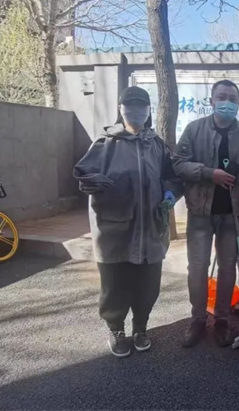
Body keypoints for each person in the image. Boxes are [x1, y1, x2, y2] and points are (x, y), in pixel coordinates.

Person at [73, 86, 182, 358]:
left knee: (148, 283)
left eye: (141, 105)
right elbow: (82, 173)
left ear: (148, 110)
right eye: (130, 105)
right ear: (120, 109)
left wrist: (169, 192)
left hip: (150, 228)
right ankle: (116, 328)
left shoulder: (156, 144)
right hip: (114, 229)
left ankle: (141, 326)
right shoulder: (105, 142)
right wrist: (93, 181)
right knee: (115, 284)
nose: (136, 110)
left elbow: (170, 175)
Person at [173, 79, 239, 348]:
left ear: (238, 103)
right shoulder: (194, 129)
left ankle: (222, 319)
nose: (227, 103)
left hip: (232, 214)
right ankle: (198, 319)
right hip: (200, 212)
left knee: (227, 268)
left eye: (232, 99)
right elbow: (178, 163)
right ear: (211, 101)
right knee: (197, 267)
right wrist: (209, 173)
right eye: (222, 97)